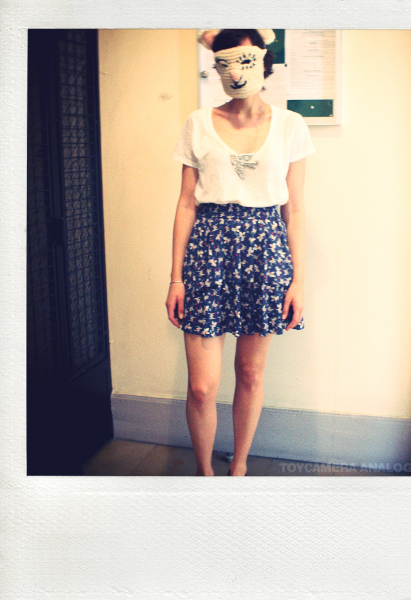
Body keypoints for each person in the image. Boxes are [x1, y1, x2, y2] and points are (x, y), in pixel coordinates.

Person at [166, 29, 316, 476]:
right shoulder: (197, 122)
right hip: (207, 251)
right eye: (225, 61)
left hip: (266, 251)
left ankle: (239, 468)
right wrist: (175, 277)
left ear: (264, 63)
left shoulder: (291, 125)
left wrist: (299, 280)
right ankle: (205, 475)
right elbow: (186, 203)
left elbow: (295, 209)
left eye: (246, 59)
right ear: (217, 66)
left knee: (250, 373)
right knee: (202, 386)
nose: (236, 71)